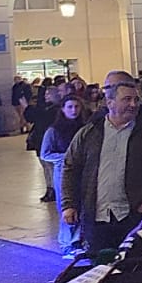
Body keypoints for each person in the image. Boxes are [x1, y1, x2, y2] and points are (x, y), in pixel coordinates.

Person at [60, 81, 142, 253]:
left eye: (135, 100)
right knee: (99, 267)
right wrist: (69, 204)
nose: (133, 105)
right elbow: (70, 168)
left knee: (132, 268)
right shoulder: (89, 133)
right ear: (109, 103)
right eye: (127, 99)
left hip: (132, 217)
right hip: (97, 217)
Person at [40, 96, 88, 258]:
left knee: (82, 205)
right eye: (70, 107)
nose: (73, 110)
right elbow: (45, 153)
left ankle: (79, 240)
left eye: (76, 106)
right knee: (67, 206)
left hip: (83, 172)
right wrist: (66, 157)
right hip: (63, 173)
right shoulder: (54, 131)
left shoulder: (85, 128)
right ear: (63, 109)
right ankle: (67, 242)